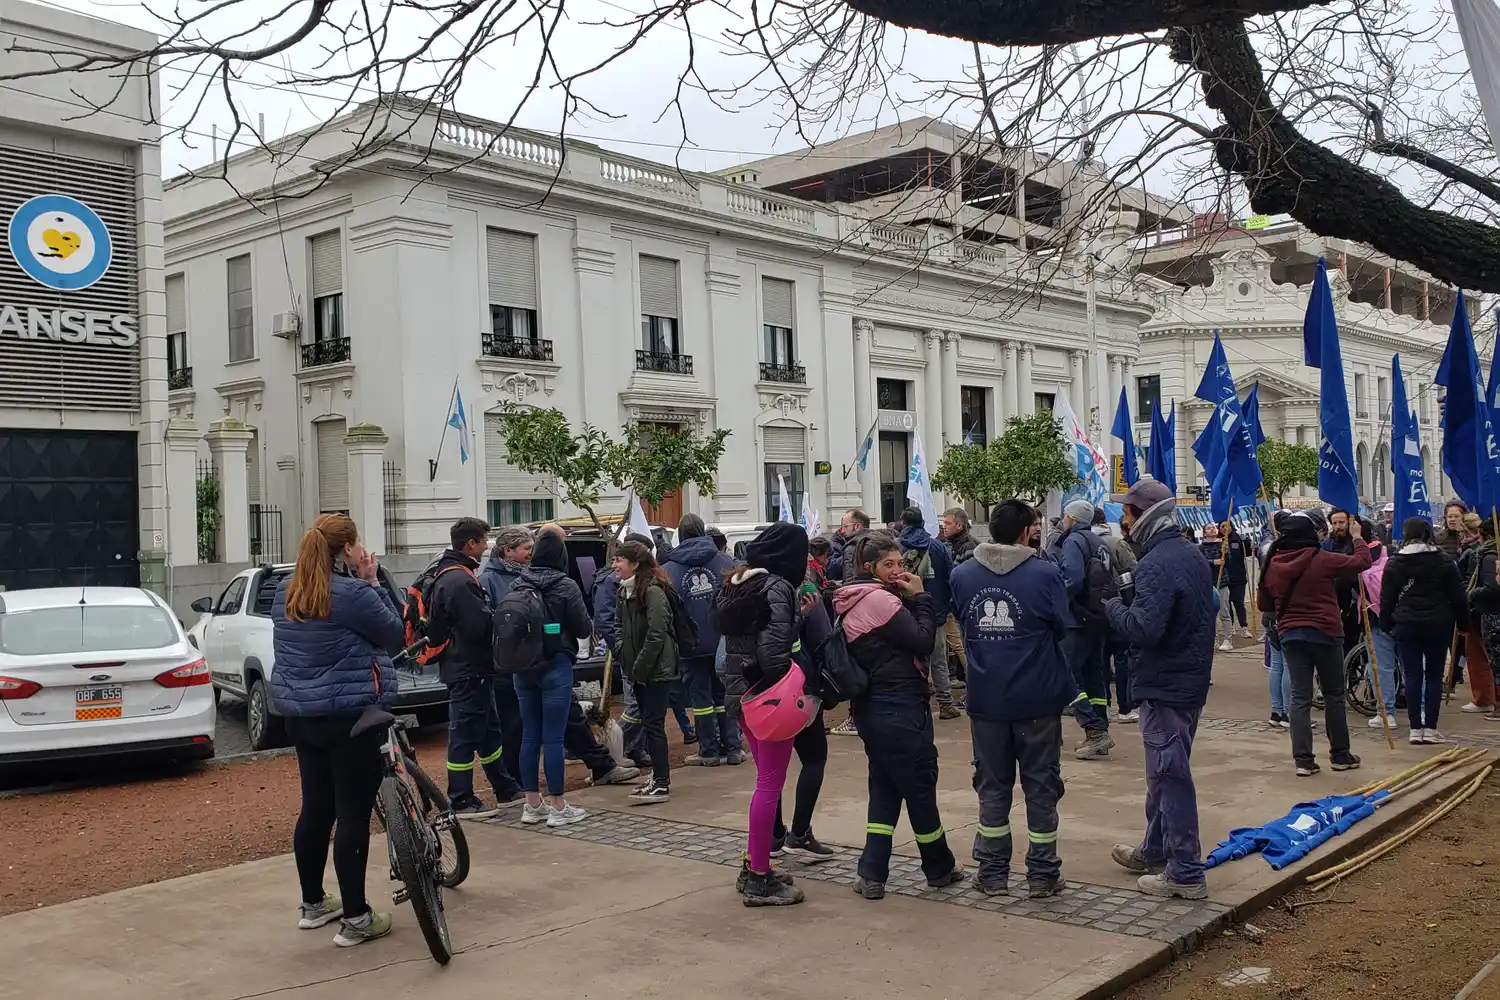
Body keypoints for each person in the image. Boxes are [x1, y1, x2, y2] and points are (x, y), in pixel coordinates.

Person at [272, 513, 405, 947]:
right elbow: (395, 634)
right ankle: (357, 918)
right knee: (352, 814)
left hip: (302, 717)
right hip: (351, 717)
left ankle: (313, 904)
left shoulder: (284, 593)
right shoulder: (352, 595)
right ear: (347, 549)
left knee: (316, 809)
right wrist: (372, 581)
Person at [832, 532, 964, 901]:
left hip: (874, 709)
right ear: (869, 567)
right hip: (900, 707)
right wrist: (921, 596)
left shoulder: (852, 597)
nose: (896, 571)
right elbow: (924, 640)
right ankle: (938, 868)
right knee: (919, 786)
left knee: (886, 788)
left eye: (900, 564)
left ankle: (872, 873)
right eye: (888, 564)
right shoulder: (878, 601)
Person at [953, 499, 1073, 898]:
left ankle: (992, 872)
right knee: (1041, 786)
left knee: (991, 786)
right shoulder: (1044, 574)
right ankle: (1042, 874)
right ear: (1026, 533)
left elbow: (961, 618)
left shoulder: (963, 574)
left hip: (986, 699)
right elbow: (1061, 626)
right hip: (1037, 699)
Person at [1103, 480, 1215, 900]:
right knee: (1164, 772)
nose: (1122, 523)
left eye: (1127, 515)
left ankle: (1185, 870)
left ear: (1141, 515)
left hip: (1167, 683)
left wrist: (1111, 605)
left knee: (1170, 776)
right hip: (1186, 680)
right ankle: (1155, 849)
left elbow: (1144, 628)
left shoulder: (1157, 563)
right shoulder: (1188, 553)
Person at [715, 522, 809, 905]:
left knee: (764, 782)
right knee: (769, 785)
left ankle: (753, 861)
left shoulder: (737, 582)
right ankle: (758, 877)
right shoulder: (778, 588)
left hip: (740, 695)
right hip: (768, 699)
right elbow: (773, 653)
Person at [1259, 510, 1369, 777]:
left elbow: (1263, 604)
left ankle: (1303, 760)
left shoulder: (1272, 564)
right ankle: (1340, 755)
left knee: (1299, 696)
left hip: (1290, 635)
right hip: (1326, 632)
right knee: (1333, 694)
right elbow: (1362, 562)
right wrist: (1357, 538)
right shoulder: (1322, 560)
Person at [429, 518, 524, 818]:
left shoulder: (454, 574)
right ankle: (460, 798)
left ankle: (505, 788)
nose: (486, 548)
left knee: (487, 730)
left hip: (472, 669)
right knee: (464, 733)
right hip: (469, 669)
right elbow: (478, 627)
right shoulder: (460, 580)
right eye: (484, 542)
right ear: (470, 544)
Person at [506, 524, 592, 826]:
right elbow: (583, 628)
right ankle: (558, 806)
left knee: (530, 735)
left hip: (523, 667)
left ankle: (532, 804)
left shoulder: (518, 583)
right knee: (553, 738)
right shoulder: (565, 585)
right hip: (556, 664)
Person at [1381, 518, 1469, 744]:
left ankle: (1414, 729)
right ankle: (1430, 727)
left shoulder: (1395, 562)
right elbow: (1458, 596)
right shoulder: (1444, 561)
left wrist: (1386, 624)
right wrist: (1464, 624)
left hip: (1405, 624)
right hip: (1438, 624)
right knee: (1433, 675)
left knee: (1411, 675)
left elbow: (1387, 598)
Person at [664, 513, 742, 767]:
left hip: (690, 644)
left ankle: (708, 752)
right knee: (725, 694)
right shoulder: (725, 561)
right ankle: (733, 748)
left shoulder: (668, 570)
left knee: (701, 700)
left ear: (680, 535)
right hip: (722, 641)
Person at [772, 569, 836, 862]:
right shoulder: (804, 589)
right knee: (814, 758)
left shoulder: (749, 588)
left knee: (770, 771)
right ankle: (799, 833)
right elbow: (824, 639)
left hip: (762, 693)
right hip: (799, 688)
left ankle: (771, 836)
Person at [612, 539, 680, 804]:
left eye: (619, 560)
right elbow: (617, 627)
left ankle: (661, 781)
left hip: (656, 672)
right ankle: (656, 777)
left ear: (635, 564)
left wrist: (639, 666)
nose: (614, 565)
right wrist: (621, 652)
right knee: (649, 724)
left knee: (654, 725)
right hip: (637, 671)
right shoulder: (624, 592)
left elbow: (657, 633)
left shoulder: (652, 591)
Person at [1048, 498, 1114, 760]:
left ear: (1071, 519)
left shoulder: (1075, 541)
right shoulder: (1100, 542)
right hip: (1097, 618)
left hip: (1077, 619)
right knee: (1093, 675)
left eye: (1065, 517)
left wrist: (1054, 599)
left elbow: (1072, 579)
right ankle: (1099, 729)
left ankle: (1095, 731)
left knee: (1066, 676)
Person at [476, 525, 533, 790]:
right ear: (507, 551)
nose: (530, 554)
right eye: (526, 549)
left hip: (525, 664)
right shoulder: (488, 581)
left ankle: (524, 777)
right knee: (510, 727)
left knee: (524, 725)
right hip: (503, 668)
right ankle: (513, 780)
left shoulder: (525, 575)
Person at [897, 507, 960, 720]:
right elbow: (950, 577)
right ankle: (945, 703)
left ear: (903, 523)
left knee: (909, 661)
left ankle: (915, 703)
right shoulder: (939, 547)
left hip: (905, 612)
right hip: (935, 611)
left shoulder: (897, 546)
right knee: (939, 660)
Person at [1094, 507, 1139, 723]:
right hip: (1118, 606)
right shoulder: (1116, 543)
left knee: (1100, 662)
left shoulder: (1079, 544)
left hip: (1092, 612)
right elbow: (1134, 570)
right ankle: (1125, 708)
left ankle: (1103, 710)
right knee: (1122, 660)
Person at [1358, 534, 1401, 732]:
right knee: (1413, 667)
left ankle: (1386, 713)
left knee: (1382, 668)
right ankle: (1422, 713)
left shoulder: (1359, 560)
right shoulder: (1393, 554)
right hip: (1403, 618)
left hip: (1375, 620)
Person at [1258, 512, 1293, 729]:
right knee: (1287, 665)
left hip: (1270, 612)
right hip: (1282, 612)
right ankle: (1287, 712)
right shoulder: (1282, 552)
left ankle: (1276, 710)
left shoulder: (1267, 548)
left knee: (1277, 664)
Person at [941, 507, 978, 694]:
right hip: (959, 608)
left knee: (966, 649)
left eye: (947, 523)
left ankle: (975, 690)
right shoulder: (955, 544)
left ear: (959, 524)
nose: (943, 526)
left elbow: (968, 580)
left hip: (966, 610)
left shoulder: (968, 546)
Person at [1217, 520, 1253, 648]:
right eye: (1222, 526)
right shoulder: (1218, 542)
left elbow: (1248, 552)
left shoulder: (1239, 539)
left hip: (1239, 577)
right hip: (1225, 578)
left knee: (1239, 602)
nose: (1224, 528)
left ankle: (1244, 627)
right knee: (1227, 603)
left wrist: (1250, 545)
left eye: (1227, 525)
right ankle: (1231, 626)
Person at [827, 508, 872, 583]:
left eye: (845, 526)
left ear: (857, 526)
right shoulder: (879, 541)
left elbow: (849, 580)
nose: (843, 530)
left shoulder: (851, 548)